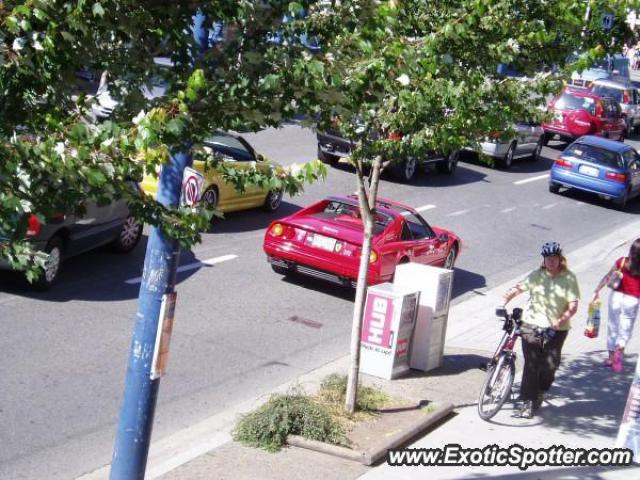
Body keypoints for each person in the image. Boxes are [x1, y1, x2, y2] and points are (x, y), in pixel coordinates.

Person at [503, 242, 580, 419]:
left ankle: (541, 390)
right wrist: (504, 301)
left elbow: (573, 306)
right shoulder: (536, 275)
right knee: (531, 364)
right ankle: (527, 403)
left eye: (554, 259)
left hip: (557, 329)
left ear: (560, 259)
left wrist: (560, 320)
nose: (551, 262)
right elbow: (517, 289)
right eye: (548, 259)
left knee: (550, 366)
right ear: (543, 260)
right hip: (531, 324)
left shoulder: (569, 278)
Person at [592, 239, 640, 373]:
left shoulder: (622, 261)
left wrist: (597, 289)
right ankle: (620, 350)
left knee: (613, 325)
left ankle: (610, 359)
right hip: (632, 299)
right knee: (626, 327)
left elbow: (608, 276)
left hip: (616, 297)